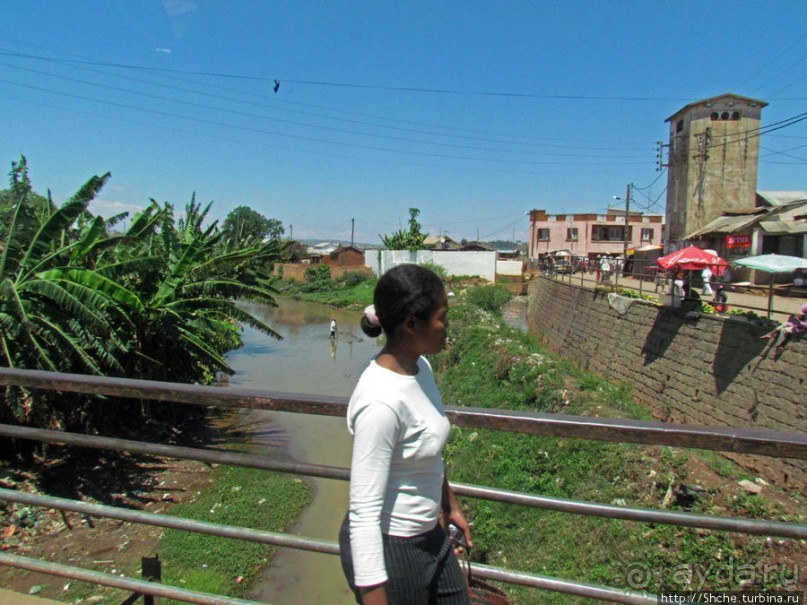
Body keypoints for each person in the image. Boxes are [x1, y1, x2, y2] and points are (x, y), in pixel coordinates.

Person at [339, 264, 472, 605]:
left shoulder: (420, 368)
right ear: (412, 324)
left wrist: (449, 503)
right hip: (393, 546)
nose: (446, 327)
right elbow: (364, 513)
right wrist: (374, 597)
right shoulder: (380, 402)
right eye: (443, 317)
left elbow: (426, 448)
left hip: (431, 535)